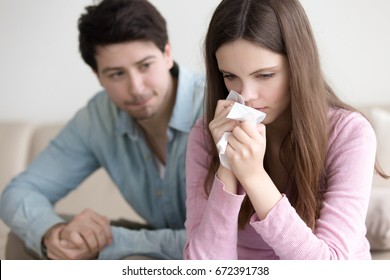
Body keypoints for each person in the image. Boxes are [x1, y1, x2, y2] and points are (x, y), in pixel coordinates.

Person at [183, 0, 389, 260]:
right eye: (230, 76)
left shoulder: (350, 134)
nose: (246, 97)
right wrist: (228, 166)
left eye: (265, 75)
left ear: (297, 66)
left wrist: (254, 177)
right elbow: (202, 269)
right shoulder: (205, 136)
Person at [0, 0, 204, 260]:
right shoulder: (99, 118)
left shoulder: (213, 106)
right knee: (27, 238)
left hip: (220, 255)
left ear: (166, 54)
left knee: (135, 262)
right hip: (160, 238)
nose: (137, 87)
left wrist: (111, 242)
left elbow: (231, 239)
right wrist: (53, 233)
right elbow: (20, 192)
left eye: (145, 65)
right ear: (97, 76)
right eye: (117, 74)